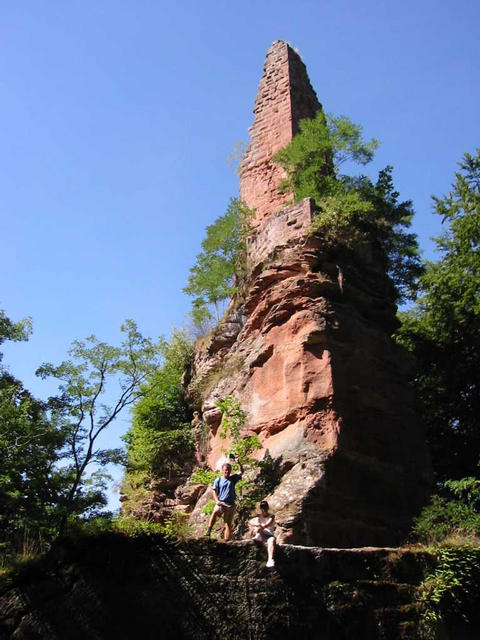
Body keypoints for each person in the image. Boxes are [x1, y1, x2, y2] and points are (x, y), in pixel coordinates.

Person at [206, 457, 243, 541]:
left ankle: (226, 541)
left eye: (229, 470)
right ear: (222, 470)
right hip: (221, 502)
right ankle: (209, 530)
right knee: (215, 511)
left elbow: (241, 472)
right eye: (225, 470)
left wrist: (238, 463)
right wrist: (217, 501)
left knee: (228, 523)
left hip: (230, 504)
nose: (227, 471)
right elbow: (214, 491)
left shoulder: (233, 479)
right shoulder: (218, 480)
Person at [249, 500, 276, 567]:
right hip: (260, 532)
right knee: (256, 526)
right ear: (261, 508)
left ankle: (270, 559)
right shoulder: (258, 516)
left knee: (271, 540)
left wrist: (260, 526)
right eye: (262, 508)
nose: (264, 509)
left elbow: (267, 524)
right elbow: (250, 521)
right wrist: (257, 524)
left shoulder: (271, 516)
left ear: (267, 508)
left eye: (265, 507)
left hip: (268, 535)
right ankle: (258, 536)